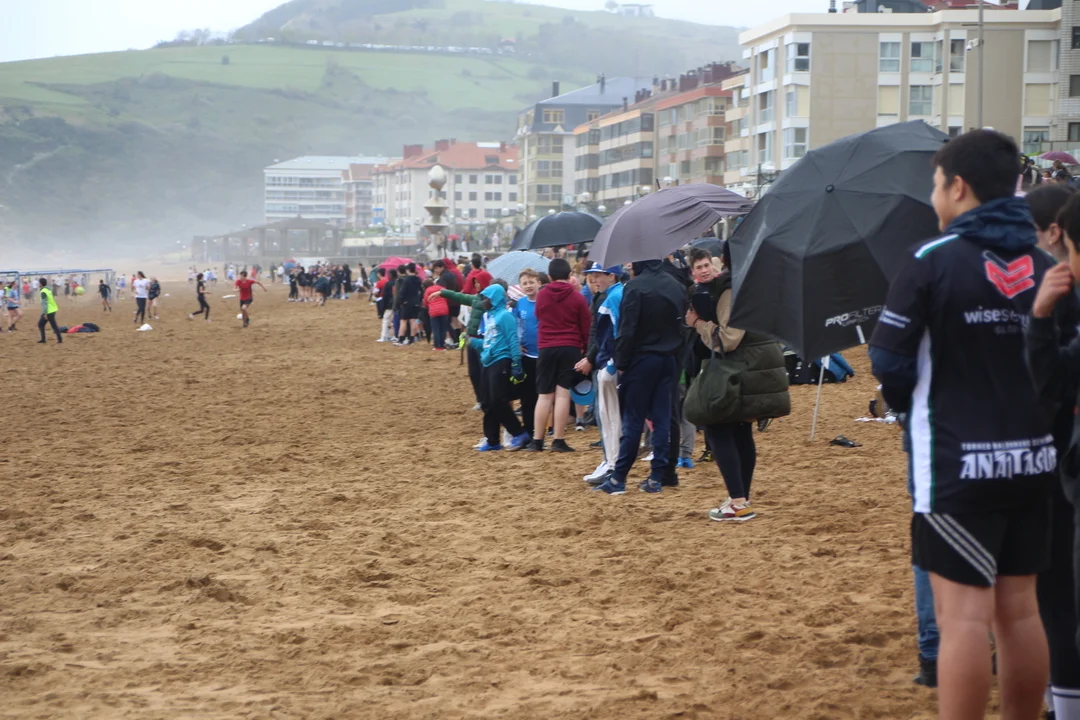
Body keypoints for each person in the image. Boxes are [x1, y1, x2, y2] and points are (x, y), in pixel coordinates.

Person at [869, 129, 1057, 720]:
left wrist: (904, 404)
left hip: (956, 462)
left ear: (958, 186)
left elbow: (889, 361)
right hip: (1034, 457)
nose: (933, 197)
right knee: (1021, 611)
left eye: (935, 184)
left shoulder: (931, 260)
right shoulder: (1046, 264)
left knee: (964, 620)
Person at [1023, 187, 1080, 720]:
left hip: (1060, 466)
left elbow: (1051, 379)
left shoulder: (1060, 292)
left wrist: (1040, 316)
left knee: (1057, 594)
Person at [686, 245, 789, 520]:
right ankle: (741, 498)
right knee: (741, 430)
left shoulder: (731, 289)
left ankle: (738, 500)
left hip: (742, 367)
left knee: (718, 429)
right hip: (759, 365)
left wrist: (698, 323)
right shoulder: (755, 284)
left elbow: (728, 339)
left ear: (722, 260)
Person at [592, 260, 686, 494]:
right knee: (662, 419)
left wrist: (621, 363)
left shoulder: (634, 287)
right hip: (669, 359)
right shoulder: (675, 285)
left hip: (641, 360)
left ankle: (619, 478)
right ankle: (657, 477)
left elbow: (627, 330)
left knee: (633, 420)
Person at [525, 258, 591, 453]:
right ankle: (558, 440)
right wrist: (585, 350)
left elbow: (539, 316)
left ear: (550, 276)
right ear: (569, 275)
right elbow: (585, 326)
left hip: (546, 347)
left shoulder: (542, 295)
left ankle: (537, 440)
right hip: (570, 346)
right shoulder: (578, 297)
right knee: (563, 394)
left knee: (544, 395)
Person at [576, 263, 623, 485]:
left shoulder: (611, 297)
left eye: (597, 275)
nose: (593, 280)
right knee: (607, 415)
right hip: (605, 361)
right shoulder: (605, 296)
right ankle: (610, 461)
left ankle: (612, 463)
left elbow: (609, 337)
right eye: (591, 276)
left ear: (611, 276)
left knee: (610, 416)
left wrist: (598, 360)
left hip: (608, 363)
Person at [474, 284, 531, 451]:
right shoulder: (491, 317)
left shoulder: (505, 316)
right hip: (488, 361)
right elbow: (490, 341)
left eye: (486, 298)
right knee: (487, 402)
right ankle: (492, 440)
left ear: (495, 299)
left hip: (501, 361)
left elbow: (512, 340)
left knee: (498, 400)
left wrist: (516, 363)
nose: (483, 301)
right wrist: (474, 343)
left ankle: (518, 432)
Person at [511, 268, 542, 445]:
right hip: (526, 355)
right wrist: (517, 344)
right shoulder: (519, 304)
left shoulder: (544, 301)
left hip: (543, 355)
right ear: (520, 286)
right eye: (525, 283)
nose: (528, 286)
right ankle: (529, 430)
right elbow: (515, 326)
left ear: (539, 283)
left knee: (543, 395)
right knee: (527, 397)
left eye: (531, 282)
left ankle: (544, 429)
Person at [394, 263, 423, 345]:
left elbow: (402, 292)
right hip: (416, 302)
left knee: (403, 321)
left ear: (408, 270)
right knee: (414, 320)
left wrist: (401, 301)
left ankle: (401, 339)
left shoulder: (406, 280)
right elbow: (421, 291)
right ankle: (411, 339)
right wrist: (419, 300)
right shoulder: (418, 279)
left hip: (407, 303)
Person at [424, 278, 451, 350]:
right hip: (444, 309)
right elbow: (448, 296)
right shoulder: (441, 288)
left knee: (436, 329)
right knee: (443, 328)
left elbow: (426, 302)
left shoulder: (427, 291)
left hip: (434, 311)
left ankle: (437, 345)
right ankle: (442, 345)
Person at [37, 278, 61, 344]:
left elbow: (44, 303)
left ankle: (44, 339)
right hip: (53, 309)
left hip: (49, 311)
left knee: (41, 324)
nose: (38, 284)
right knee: (51, 325)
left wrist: (45, 313)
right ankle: (58, 339)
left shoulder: (43, 292)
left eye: (39, 283)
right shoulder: (48, 289)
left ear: (41, 284)